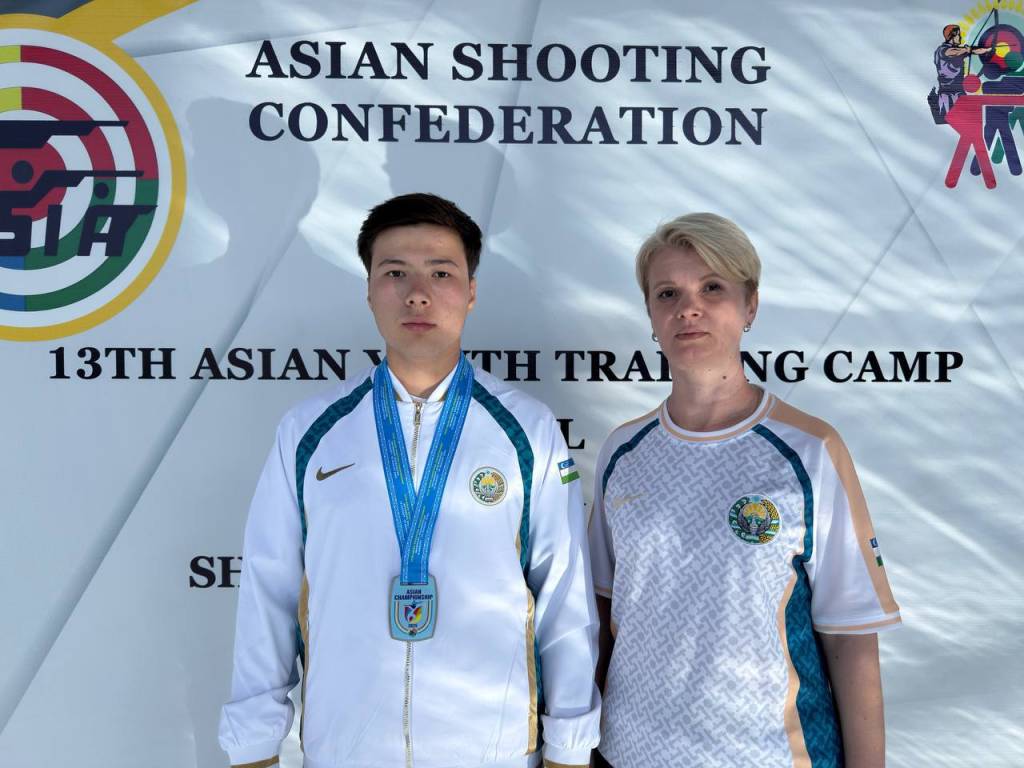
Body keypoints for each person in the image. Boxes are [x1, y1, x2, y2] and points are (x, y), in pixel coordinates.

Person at [219, 193, 600, 768]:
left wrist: (569, 749)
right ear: (370, 290)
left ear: (471, 291)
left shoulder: (527, 428)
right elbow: (268, 592)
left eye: (441, 273)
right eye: (394, 273)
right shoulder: (310, 431)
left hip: (491, 753)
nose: (417, 293)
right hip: (346, 753)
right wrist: (253, 747)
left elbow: (564, 595)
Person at [588, 213, 901, 768]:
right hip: (628, 754)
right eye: (668, 293)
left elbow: (850, 641)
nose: (688, 308)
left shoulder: (810, 450)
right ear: (651, 314)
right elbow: (601, 615)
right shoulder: (623, 451)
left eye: (712, 288)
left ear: (750, 305)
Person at [933, 24, 991, 120]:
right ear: (952, 37)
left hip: (959, 92)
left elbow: (975, 51)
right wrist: (966, 49)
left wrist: (988, 49)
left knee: (965, 121)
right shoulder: (942, 50)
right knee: (948, 121)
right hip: (947, 94)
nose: (960, 37)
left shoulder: (961, 51)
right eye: (958, 35)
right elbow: (952, 52)